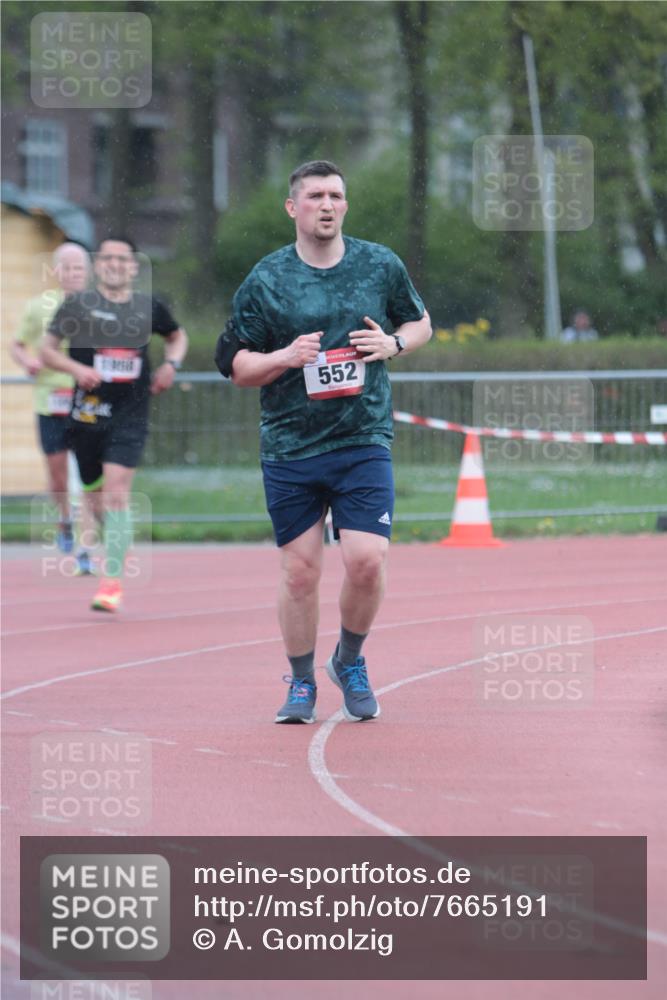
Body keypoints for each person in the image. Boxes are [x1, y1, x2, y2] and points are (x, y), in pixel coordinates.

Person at [228, 160, 432, 724]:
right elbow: (236, 365)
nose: (327, 204)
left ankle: (349, 659)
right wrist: (284, 357)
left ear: (345, 205)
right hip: (291, 445)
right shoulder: (267, 279)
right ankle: (300, 682)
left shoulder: (378, 264)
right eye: (315, 195)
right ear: (293, 208)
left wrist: (393, 343)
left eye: (336, 195)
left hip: (362, 437)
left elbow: (421, 323)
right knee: (301, 572)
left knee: (367, 560)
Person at [40, 236, 188, 612]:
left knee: (117, 492)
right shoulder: (78, 305)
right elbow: (46, 350)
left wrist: (171, 366)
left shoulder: (147, 306)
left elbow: (176, 336)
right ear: (98, 265)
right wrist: (77, 369)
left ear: (134, 267)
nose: (115, 265)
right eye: (107, 258)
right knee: (96, 497)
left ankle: (111, 582)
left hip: (130, 415)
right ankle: (117, 538)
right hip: (86, 416)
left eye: (123, 259)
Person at [11, 242, 95, 572]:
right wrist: (28, 361)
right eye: (68, 267)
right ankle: (64, 519)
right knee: (58, 474)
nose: (74, 273)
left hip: (88, 400)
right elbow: (17, 345)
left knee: (88, 473)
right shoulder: (39, 307)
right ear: (56, 272)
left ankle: (86, 547)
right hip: (51, 398)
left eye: (79, 267)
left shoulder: (99, 306)